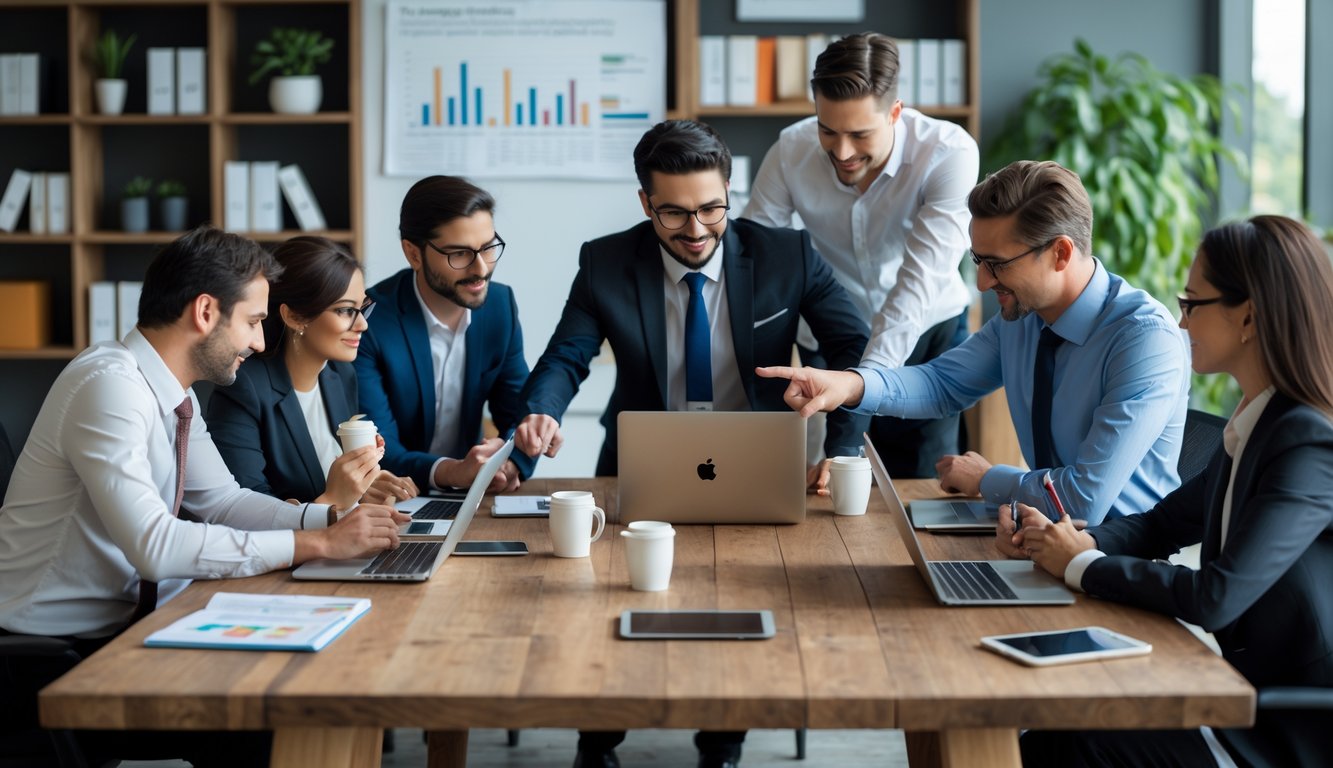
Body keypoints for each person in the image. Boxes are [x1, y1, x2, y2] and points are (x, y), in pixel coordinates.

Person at [514, 119, 869, 768]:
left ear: (728, 190)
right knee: (613, 599)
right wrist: (540, 414)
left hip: (758, 457)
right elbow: (566, 357)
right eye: (674, 213)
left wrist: (840, 443)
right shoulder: (605, 261)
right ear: (645, 202)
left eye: (711, 208)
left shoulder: (785, 255)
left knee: (734, 596)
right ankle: (596, 744)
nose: (697, 229)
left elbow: (853, 347)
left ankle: (722, 746)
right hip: (647, 458)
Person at [0, 226, 408, 766]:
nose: (262, 342)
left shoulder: (172, 391)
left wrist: (330, 518)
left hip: (121, 629)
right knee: (268, 716)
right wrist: (319, 546)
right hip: (50, 659)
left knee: (318, 676)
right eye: (255, 321)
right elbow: (154, 546)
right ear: (205, 312)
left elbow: (224, 502)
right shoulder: (110, 388)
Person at [1014, 215, 1333, 766]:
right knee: (1055, 727)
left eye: (1192, 304)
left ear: (1249, 317)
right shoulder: (1258, 423)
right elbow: (1161, 524)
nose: (1180, 323)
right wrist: (1069, 540)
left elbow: (1215, 596)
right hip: (1234, 693)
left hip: (1283, 734)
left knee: (1069, 739)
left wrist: (1080, 566)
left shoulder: (1305, 442)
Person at [757, 160, 1189, 525]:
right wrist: (849, 386)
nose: (982, 282)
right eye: (978, 261)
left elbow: (1083, 501)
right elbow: (942, 384)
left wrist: (987, 479)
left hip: (1118, 565)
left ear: (1060, 253)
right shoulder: (1022, 318)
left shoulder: (1143, 340)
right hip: (1038, 539)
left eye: (997, 264)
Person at [743, 31, 979, 477]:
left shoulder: (948, 153)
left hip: (928, 331)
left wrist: (856, 401)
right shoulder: (790, 151)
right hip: (830, 335)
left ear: (895, 112)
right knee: (832, 482)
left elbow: (915, 289)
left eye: (860, 134)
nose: (843, 151)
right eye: (827, 130)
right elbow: (756, 259)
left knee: (925, 483)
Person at [207, 236, 419, 510]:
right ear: (295, 317)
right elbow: (246, 513)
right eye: (346, 310)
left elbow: (335, 488)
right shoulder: (243, 387)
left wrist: (364, 486)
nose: (363, 324)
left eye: (363, 308)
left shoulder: (340, 375)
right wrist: (331, 504)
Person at [354, 175, 533, 493]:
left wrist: (509, 462)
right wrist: (453, 472)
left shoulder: (500, 306)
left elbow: (518, 414)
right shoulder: (369, 322)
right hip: (395, 497)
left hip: (473, 496)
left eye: (488, 247)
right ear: (413, 254)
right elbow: (378, 449)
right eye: (459, 254)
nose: (481, 269)